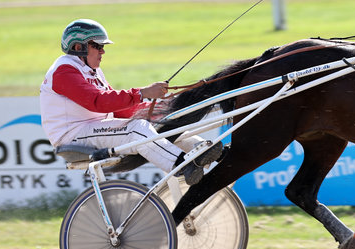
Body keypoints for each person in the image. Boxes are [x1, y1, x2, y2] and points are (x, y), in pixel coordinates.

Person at [40, 19, 221, 185]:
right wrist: (143, 93)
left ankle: (206, 152)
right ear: (78, 47)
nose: (102, 51)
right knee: (137, 129)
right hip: (72, 134)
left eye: (103, 46)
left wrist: (159, 109)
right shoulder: (64, 70)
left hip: (92, 128)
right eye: (97, 46)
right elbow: (98, 101)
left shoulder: (92, 70)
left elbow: (117, 109)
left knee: (162, 125)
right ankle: (184, 165)